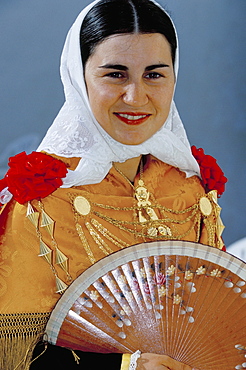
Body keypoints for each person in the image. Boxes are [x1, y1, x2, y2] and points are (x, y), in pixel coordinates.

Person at [0, 0, 227, 369]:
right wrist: (125, 366)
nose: (135, 97)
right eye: (115, 74)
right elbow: (13, 356)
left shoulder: (189, 189)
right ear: (79, 77)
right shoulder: (41, 199)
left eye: (154, 75)